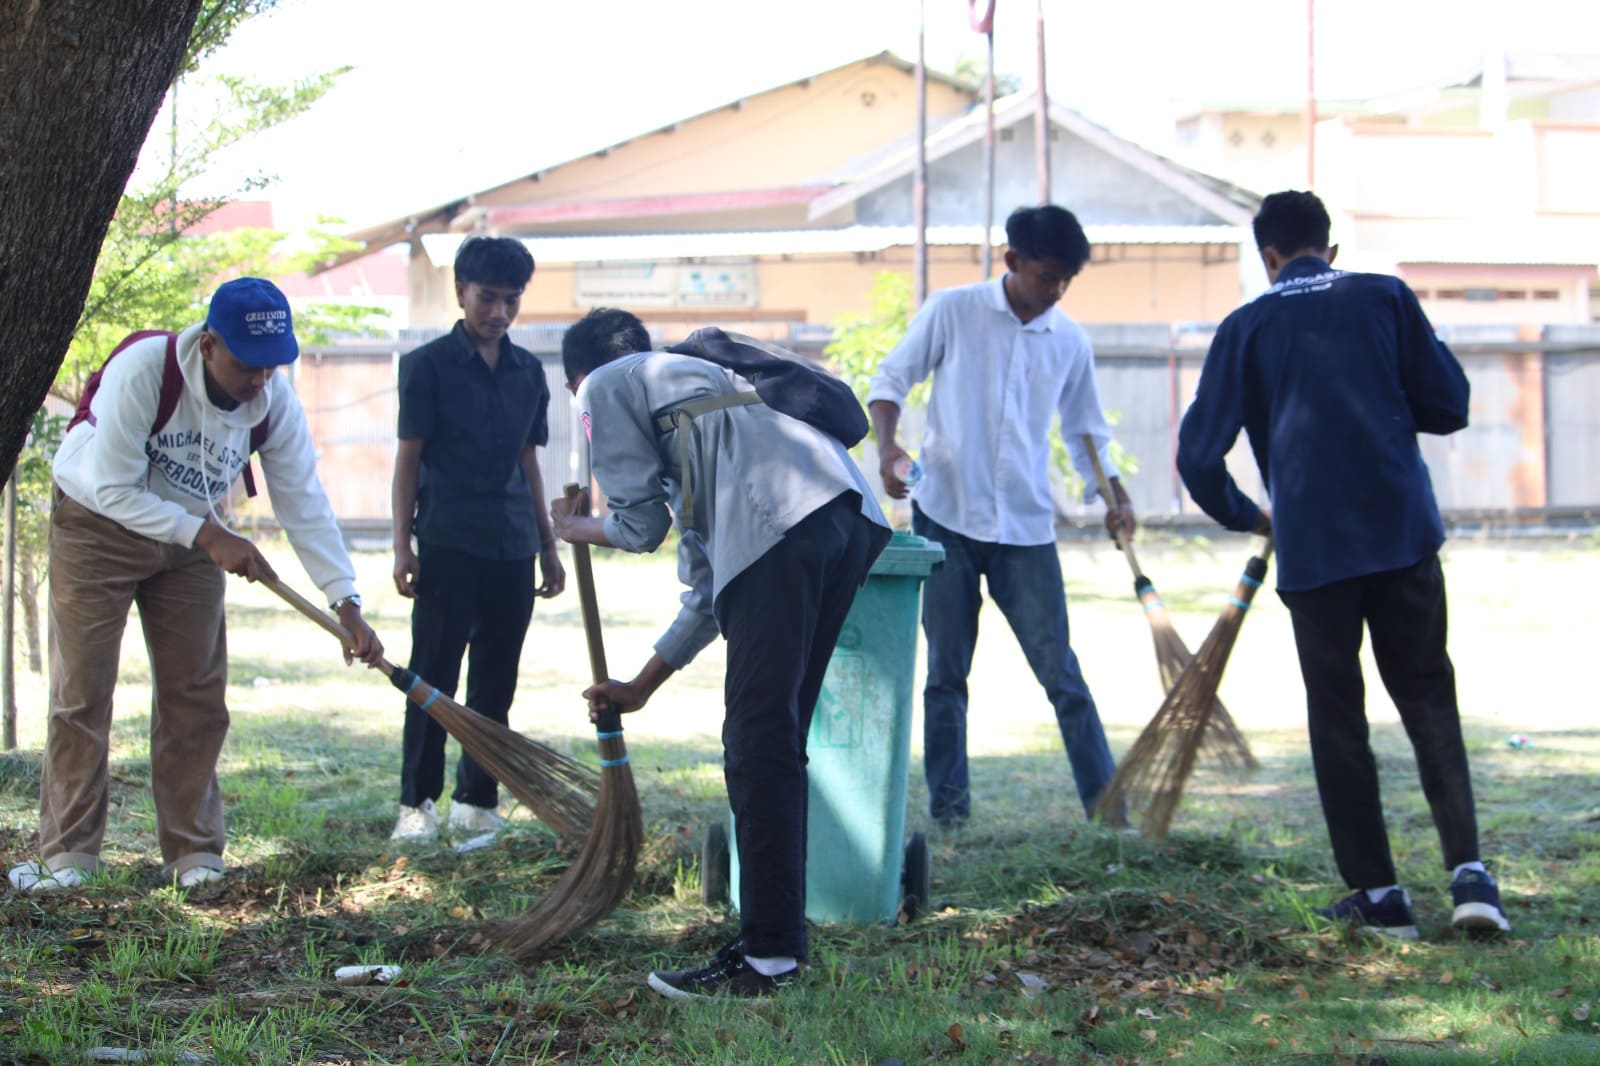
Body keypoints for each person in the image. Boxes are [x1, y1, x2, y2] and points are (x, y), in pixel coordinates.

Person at [1175, 189, 1509, 937]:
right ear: (1331, 248)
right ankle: (1472, 879)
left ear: (1267, 258)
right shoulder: (1385, 296)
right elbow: (1449, 403)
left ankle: (1381, 896)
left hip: (1316, 551)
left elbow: (1197, 457)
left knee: (1338, 718)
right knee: (1427, 698)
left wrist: (1248, 515)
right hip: (1402, 533)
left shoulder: (1248, 324)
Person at [554, 307, 890, 999]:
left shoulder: (605, 385)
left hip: (785, 521)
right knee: (775, 738)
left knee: (757, 740)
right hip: (849, 516)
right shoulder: (696, 391)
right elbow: (711, 587)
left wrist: (572, 526)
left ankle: (767, 959)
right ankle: (778, 945)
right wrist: (642, 685)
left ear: (574, 382)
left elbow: (637, 524)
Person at [8, 277, 383, 894]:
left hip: (195, 538)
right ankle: (69, 856)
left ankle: (193, 855)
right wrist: (208, 536)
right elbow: (112, 487)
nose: (261, 379)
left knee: (197, 697)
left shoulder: (273, 401)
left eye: (272, 366)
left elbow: (304, 501)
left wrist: (344, 600)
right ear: (209, 345)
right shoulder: (144, 371)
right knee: (83, 692)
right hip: (96, 523)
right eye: (247, 364)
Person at [866, 204, 1136, 828]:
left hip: (1025, 530)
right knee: (946, 677)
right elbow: (889, 381)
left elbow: (1087, 433)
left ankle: (1109, 812)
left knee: (1063, 674)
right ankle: (951, 817)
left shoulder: (1069, 339)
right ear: (1012, 261)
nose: (1055, 291)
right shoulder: (952, 310)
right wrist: (888, 448)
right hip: (945, 519)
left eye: (1066, 280)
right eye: (1046, 276)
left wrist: (1114, 497)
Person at [389, 236, 565, 845]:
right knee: (432, 675)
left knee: (497, 677)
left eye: (511, 301)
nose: (499, 313)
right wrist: (401, 545)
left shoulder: (529, 372)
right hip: (446, 540)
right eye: (487, 298)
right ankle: (416, 803)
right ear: (460, 290)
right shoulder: (426, 367)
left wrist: (548, 544)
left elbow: (530, 461)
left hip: (513, 544)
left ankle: (478, 801)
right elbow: (408, 461)